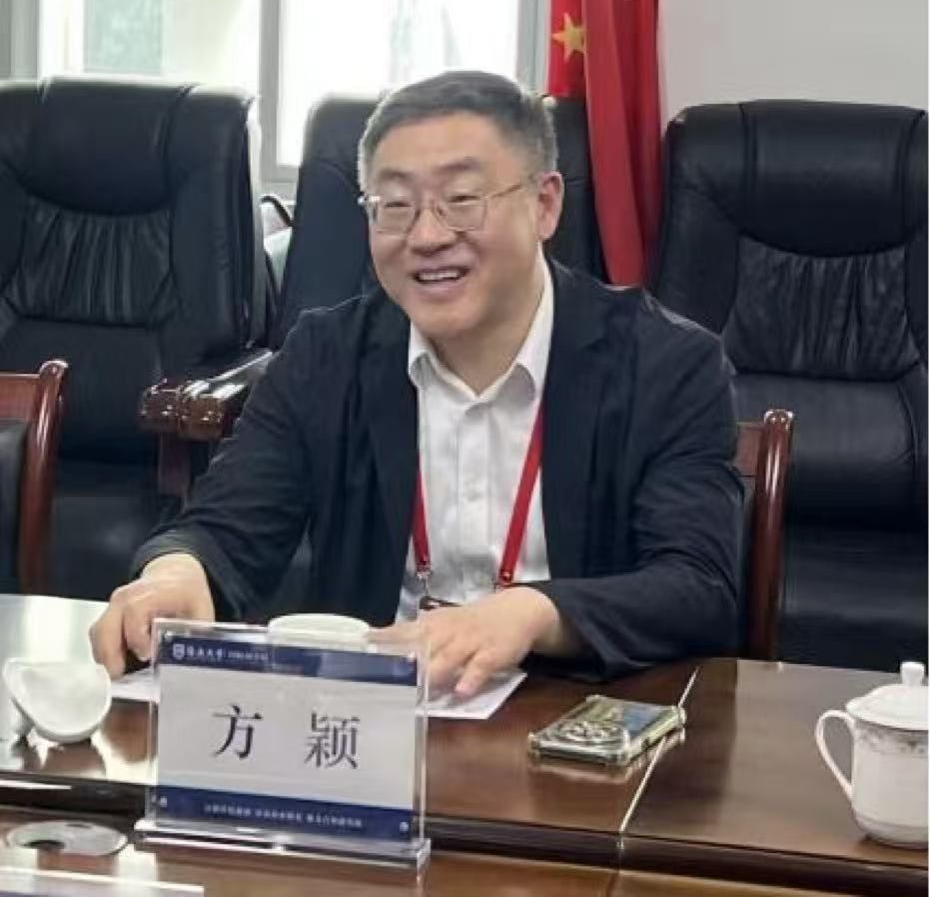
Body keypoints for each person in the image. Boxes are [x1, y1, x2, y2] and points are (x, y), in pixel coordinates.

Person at [90, 71, 741, 697]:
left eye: (462, 200)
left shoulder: (666, 365)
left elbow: (698, 587)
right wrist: (177, 573)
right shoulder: (326, 356)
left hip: (572, 720)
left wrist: (528, 614)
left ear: (544, 204)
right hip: (368, 723)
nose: (427, 236)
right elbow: (224, 528)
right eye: (395, 207)